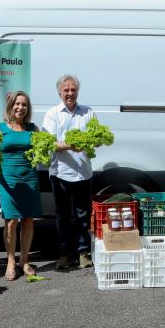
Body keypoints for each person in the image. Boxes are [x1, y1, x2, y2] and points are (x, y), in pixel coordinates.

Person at [42, 74, 97, 270]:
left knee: (83, 215)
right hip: (60, 173)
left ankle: (83, 252)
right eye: (66, 90)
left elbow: (96, 137)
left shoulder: (88, 112)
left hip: (83, 173)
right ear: (59, 92)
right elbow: (48, 142)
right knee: (63, 216)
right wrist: (69, 145)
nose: (70, 93)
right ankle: (64, 254)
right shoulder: (52, 114)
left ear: (77, 91)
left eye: (73, 89)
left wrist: (95, 141)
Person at [0, 91, 42, 281]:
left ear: (28, 108)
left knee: (28, 220)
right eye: (17, 104)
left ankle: (24, 261)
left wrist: (70, 145)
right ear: (10, 106)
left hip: (29, 180)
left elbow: (49, 145)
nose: (20, 107)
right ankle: (10, 262)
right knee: (11, 221)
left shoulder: (33, 129)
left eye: (24, 104)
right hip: (8, 181)